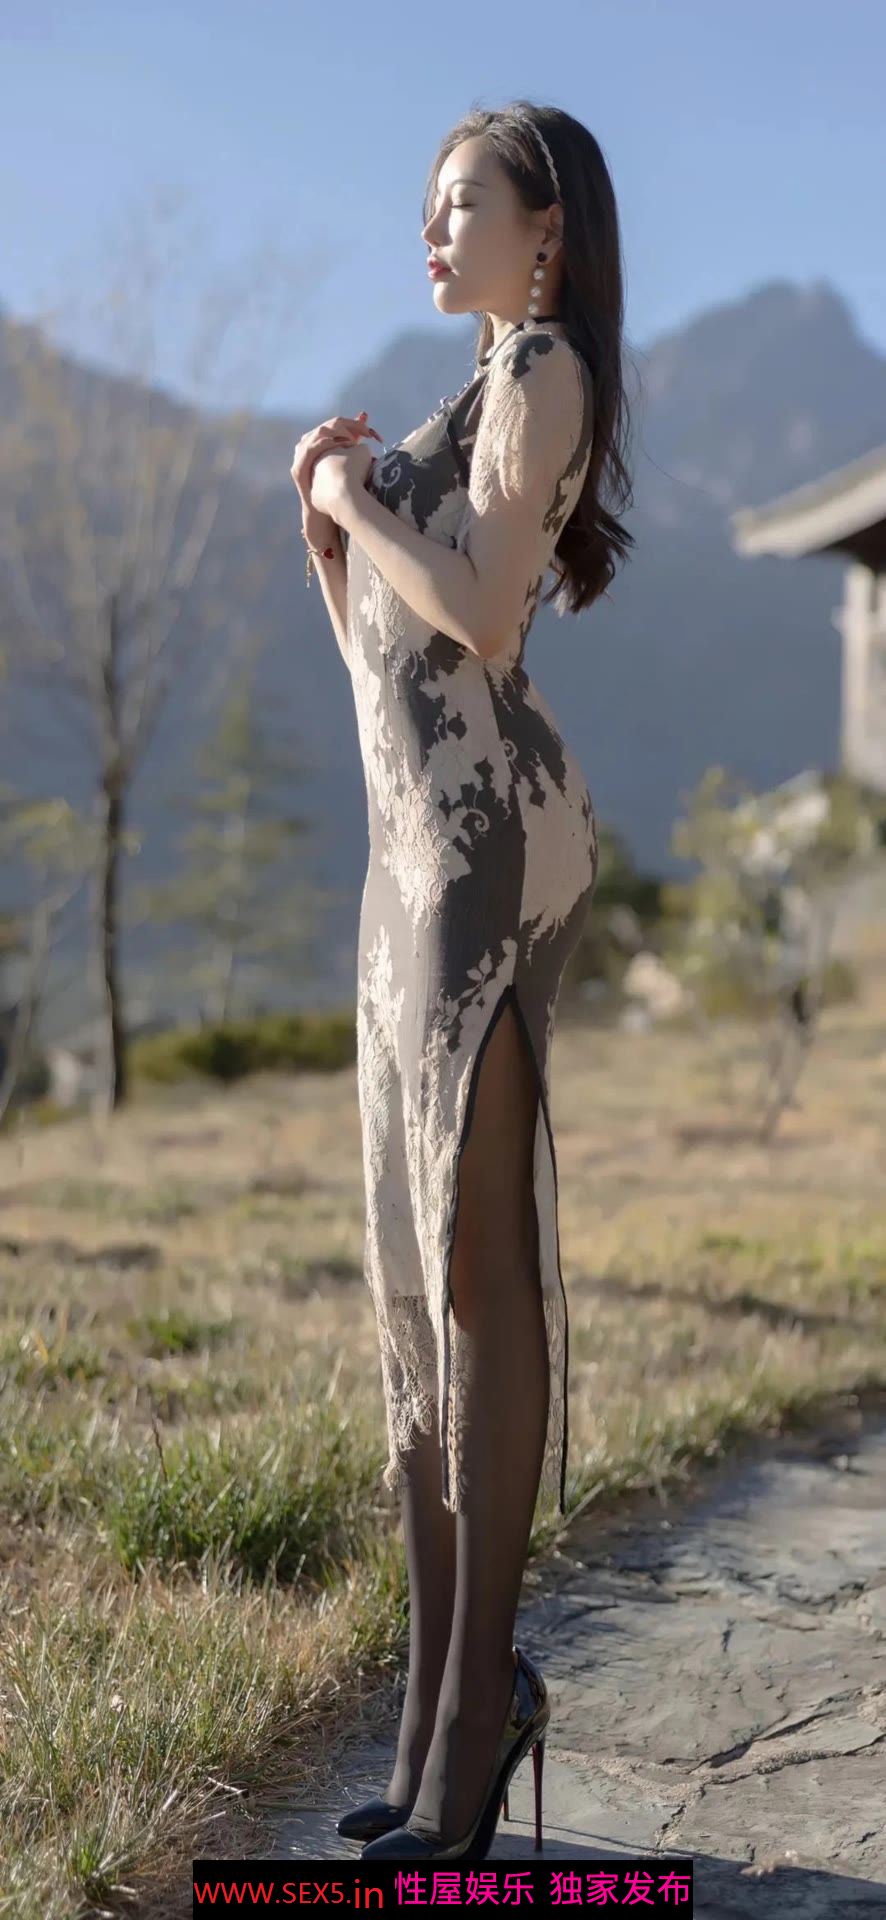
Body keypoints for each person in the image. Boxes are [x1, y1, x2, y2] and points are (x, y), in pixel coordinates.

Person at [290, 99, 634, 1861]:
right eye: (425, 207)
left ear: (543, 230)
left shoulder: (542, 371)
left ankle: (476, 1708)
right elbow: (390, 660)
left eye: (457, 205)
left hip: (484, 850)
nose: (429, 232)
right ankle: (436, 1717)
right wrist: (328, 529)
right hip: (407, 853)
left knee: (474, 1272)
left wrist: (358, 493)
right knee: (413, 1283)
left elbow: (486, 622)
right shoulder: (480, 385)